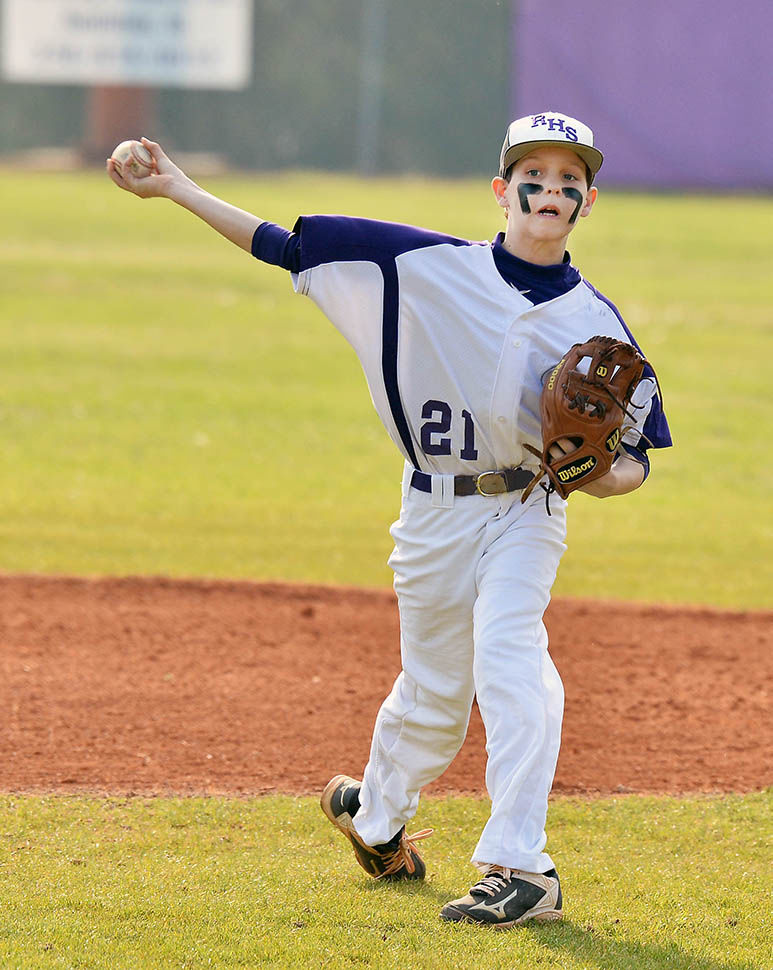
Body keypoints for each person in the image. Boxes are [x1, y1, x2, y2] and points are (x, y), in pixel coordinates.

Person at [107, 111, 671, 928]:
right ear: (500, 190)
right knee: (437, 696)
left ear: (587, 203)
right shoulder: (415, 264)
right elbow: (283, 245)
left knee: (512, 663)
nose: (550, 190)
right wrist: (177, 187)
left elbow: (635, 460)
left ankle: (521, 865)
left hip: (526, 510)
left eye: (569, 181)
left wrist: (593, 476)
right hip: (430, 513)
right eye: (534, 176)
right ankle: (374, 819)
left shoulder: (598, 322)